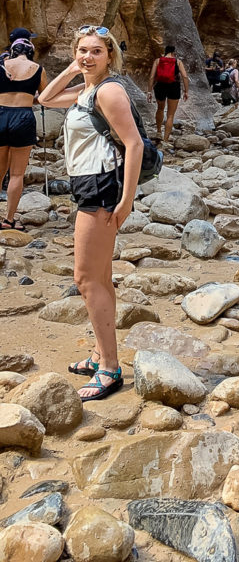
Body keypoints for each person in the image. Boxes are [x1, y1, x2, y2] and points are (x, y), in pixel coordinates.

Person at [39, 25, 143, 400]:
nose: (88, 56)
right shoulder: (85, 91)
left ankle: (111, 369)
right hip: (89, 184)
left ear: (110, 56)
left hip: (102, 187)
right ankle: (101, 355)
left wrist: (127, 199)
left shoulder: (109, 91)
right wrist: (72, 69)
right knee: (101, 275)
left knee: (85, 279)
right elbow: (46, 99)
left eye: (96, 51)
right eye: (82, 50)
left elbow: (133, 145)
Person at [0, 29, 48, 232]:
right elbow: (45, 97)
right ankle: (9, 220)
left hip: (0, 115)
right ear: (30, 48)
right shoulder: (38, 69)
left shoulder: (1, 66)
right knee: (17, 175)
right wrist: (28, 97)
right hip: (23, 117)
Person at [147, 45, 189, 146]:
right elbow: (185, 76)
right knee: (170, 115)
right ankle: (165, 141)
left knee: (160, 109)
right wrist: (186, 91)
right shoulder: (177, 62)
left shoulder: (158, 61)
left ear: (165, 52)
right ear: (173, 52)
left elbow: (152, 76)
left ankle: (158, 131)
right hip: (174, 86)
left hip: (160, 86)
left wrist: (149, 91)